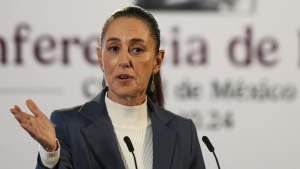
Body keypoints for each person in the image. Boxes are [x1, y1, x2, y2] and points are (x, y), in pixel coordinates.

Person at [10, 5, 206, 169]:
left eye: (137, 50)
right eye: (113, 49)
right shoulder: (68, 126)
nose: (123, 61)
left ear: (157, 60)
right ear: (100, 59)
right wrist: (51, 154)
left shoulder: (183, 132)